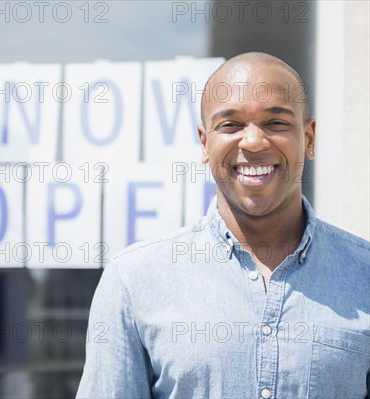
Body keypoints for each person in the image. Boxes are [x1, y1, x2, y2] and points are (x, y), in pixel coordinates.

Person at [76, 52, 370, 398]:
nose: (254, 142)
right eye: (230, 125)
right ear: (205, 143)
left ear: (309, 138)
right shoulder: (133, 280)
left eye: (276, 122)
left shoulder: (362, 274)